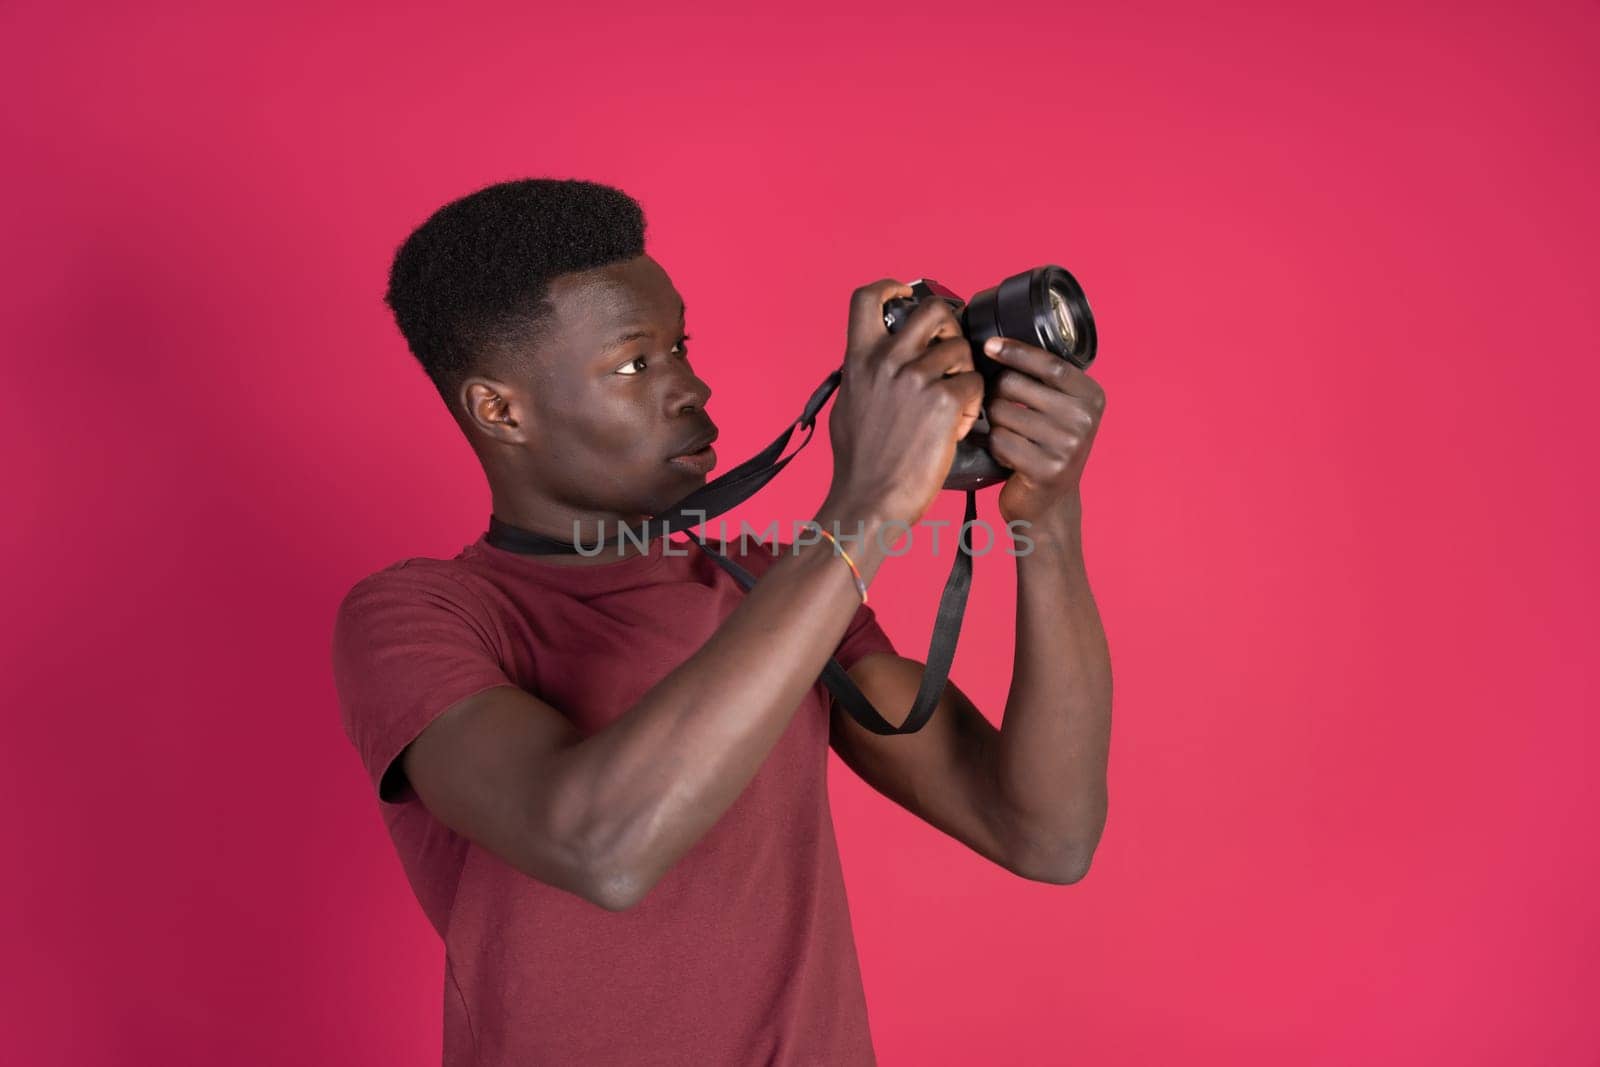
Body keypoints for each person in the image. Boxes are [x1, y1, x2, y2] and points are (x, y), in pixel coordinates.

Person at [330, 178, 1113, 1065]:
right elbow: (603, 845)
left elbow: (1044, 832)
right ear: (501, 410)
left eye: (681, 346)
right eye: (636, 364)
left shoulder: (774, 584)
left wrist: (1044, 515)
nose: (692, 387)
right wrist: (868, 505)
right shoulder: (419, 616)